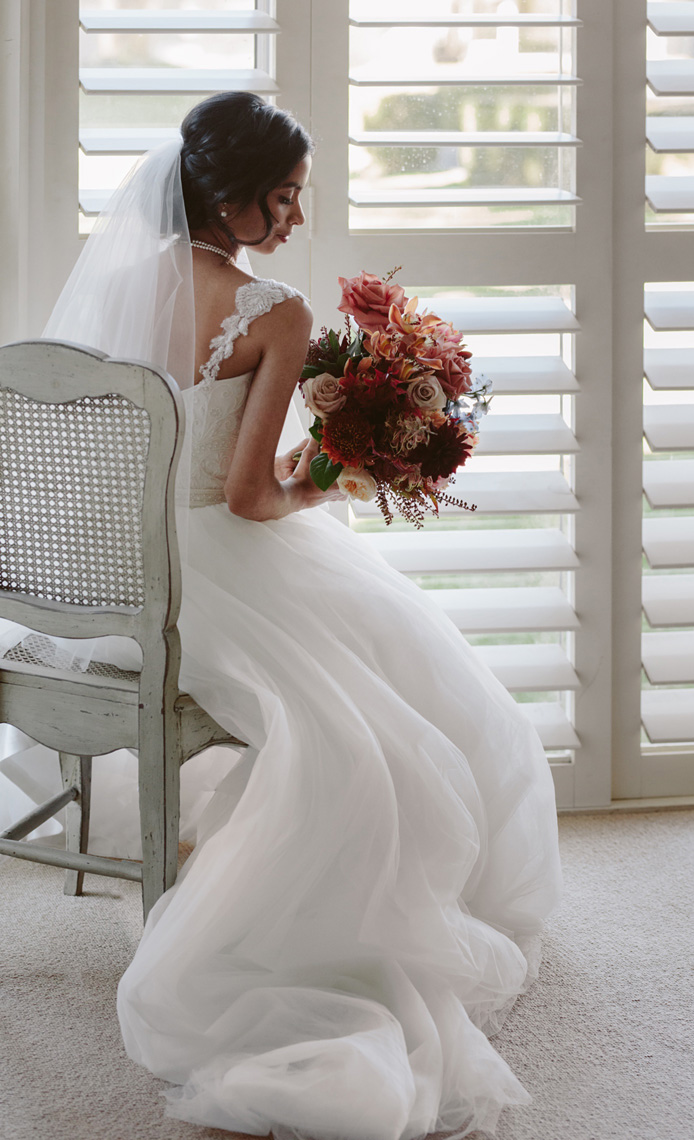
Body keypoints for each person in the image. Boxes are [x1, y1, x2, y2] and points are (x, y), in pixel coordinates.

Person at [10, 92, 562, 1139]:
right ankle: (297, 929)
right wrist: (333, 471)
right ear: (233, 197)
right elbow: (250, 498)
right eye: (288, 195)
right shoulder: (272, 309)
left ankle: (187, 860)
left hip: (96, 573)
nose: (299, 217)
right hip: (202, 568)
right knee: (398, 715)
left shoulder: (115, 285)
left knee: (378, 682)